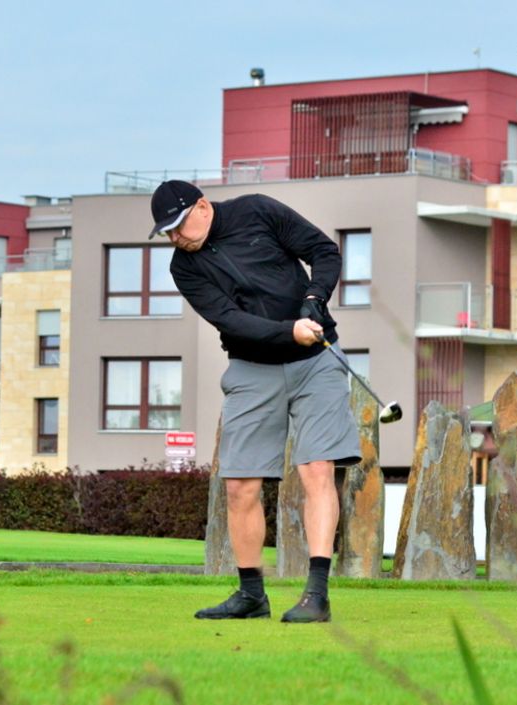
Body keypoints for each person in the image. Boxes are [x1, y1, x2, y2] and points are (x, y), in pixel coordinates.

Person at [148, 180, 361, 623]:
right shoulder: (183, 268)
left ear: (202, 206)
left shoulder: (257, 211)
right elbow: (230, 319)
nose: (176, 238)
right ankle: (251, 596)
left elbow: (324, 251)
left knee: (316, 469)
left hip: (316, 362)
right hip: (251, 367)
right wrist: (288, 331)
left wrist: (314, 299)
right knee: (239, 484)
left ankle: (316, 595)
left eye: (179, 226)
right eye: (168, 232)